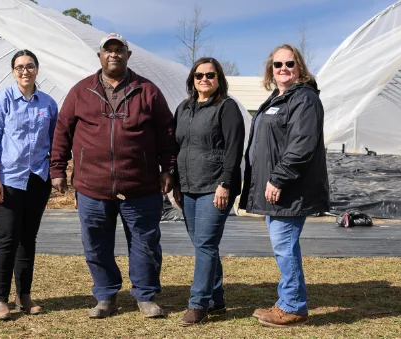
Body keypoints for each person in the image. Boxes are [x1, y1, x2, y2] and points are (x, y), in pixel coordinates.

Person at [50, 33, 177, 319]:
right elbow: (62, 131)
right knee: (96, 243)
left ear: (128, 56)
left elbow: (166, 132)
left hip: (140, 186)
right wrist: (57, 168)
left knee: (145, 242)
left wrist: (168, 168)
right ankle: (106, 296)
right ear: (100, 56)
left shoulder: (147, 90)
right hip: (92, 186)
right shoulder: (81, 91)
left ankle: (145, 296)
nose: (114, 55)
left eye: (120, 50)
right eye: (108, 50)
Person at [241, 44, 327, 328]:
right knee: (284, 246)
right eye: (278, 65)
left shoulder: (304, 98)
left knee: (285, 246)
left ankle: (293, 307)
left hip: (289, 188)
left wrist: (279, 177)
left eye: (290, 64)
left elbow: (301, 144)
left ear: (299, 67)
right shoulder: (277, 98)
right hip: (276, 187)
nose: (284, 69)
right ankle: (289, 301)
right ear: (271, 70)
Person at [0, 50, 58, 321]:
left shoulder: (48, 103)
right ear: (13, 71)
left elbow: (54, 141)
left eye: (30, 66)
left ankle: (24, 295)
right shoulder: (2, 100)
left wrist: (54, 173)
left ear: (37, 69)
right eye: (19, 67)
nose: (25, 71)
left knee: (28, 239)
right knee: (7, 239)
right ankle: (0, 299)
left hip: (37, 178)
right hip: (8, 180)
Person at [172, 57, 244, 326]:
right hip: (188, 187)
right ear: (192, 79)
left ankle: (198, 304)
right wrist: (176, 182)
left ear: (219, 79)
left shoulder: (226, 107)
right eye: (199, 75)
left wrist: (225, 183)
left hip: (215, 187)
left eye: (210, 75)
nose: (204, 79)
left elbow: (234, 149)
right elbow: (176, 146)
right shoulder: (184, 108)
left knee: (205, 245)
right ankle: (216, 299)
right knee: (204, 245)